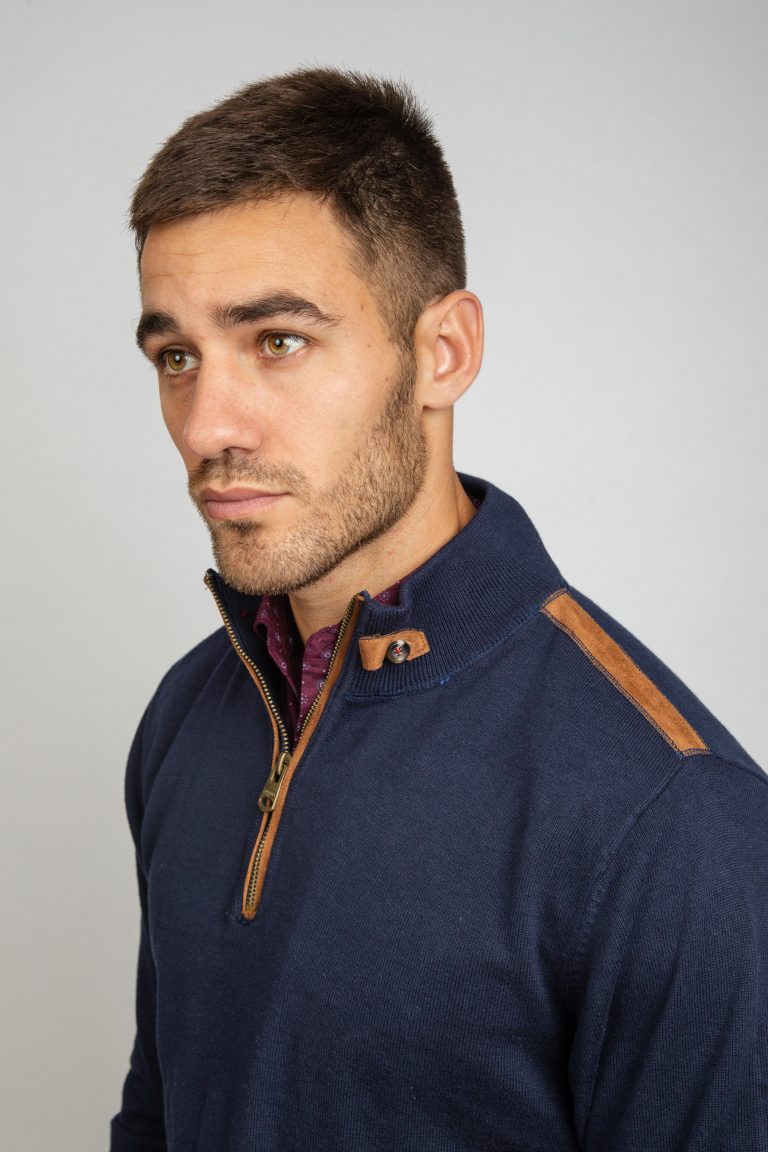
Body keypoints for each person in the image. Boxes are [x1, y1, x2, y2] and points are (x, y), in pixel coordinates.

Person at [112, 68, 767, 1152]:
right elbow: (159, 1117)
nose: (205, 425)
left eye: (277, 341)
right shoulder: (189, 712)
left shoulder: (676, 818)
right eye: (176, 356)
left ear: (442, 353)